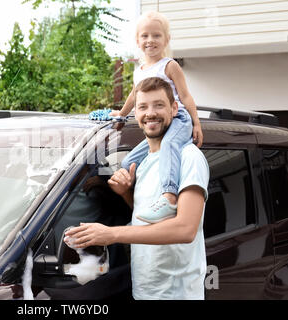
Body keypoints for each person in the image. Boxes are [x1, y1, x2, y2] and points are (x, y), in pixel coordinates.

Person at [65, 77, 210, 300]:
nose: (150, 113)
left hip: (176, 294)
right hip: (145, 290)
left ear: (174, 108)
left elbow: (185, 229)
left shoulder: (188, 157)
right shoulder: (142, 163)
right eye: (142, 106)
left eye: (158, 105)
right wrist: (125, 192)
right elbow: (149, 216)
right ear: (136, 113)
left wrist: (111, 234)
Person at [110, 11, 203, 223]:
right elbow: (134, 95)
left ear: (166, 40)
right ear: (137, 40)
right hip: (159, 125)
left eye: (156, 35)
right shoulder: (139, 70)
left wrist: (196, 123)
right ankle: (140, 199)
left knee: (169, 144)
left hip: (178, 119)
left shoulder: (170, 65)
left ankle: (169, 197)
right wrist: (122, 115)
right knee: (127, 162)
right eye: (145, 36)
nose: (150, 40)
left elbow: (186, 95)